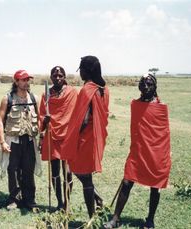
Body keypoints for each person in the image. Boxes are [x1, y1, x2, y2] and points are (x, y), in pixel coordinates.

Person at [104, 73, 171, 229]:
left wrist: (165, 155)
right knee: (127, 182)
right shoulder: (135, 104)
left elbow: (164, 134)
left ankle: (150, 220)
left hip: (157, 153)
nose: (146, 86)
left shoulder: (161, 107)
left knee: (155, 186)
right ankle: (115, 219)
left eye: (149, 83)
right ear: (139, 86)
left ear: (155, 87)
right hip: (138, 151)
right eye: (143, 83)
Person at [61, 56, 109, 218]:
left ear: (86, 71)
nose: (79, 72)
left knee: (84, 177)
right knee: (80, 172)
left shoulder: (88, 89)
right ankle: (98, 201)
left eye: (80, 69)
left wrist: (74, 135)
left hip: (84, 139)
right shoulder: (103, 89)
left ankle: (92, 218)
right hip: (94, 137)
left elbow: (85, 118)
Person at [0, 70, 40, 211]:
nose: (27, 82)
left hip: (29, 141)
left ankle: (30, 200)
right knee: (13, 170)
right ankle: (14, 199)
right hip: (13, 141)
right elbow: (0, 120)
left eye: (28, 79)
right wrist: (2, 142)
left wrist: (42, 131)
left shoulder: (34, 98)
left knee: (28, 170)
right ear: (16, 82)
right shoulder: (7, 99)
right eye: (23, 80)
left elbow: (39, 120)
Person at [39, 66, 78, 210]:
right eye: (55, 76)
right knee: (55, 172)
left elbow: (78, 112)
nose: (58, 78)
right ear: (51, 78)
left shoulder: (72, 92)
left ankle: (67, 203)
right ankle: (60, 203)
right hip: (51, 135)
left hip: (68, 136)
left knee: (67, 172)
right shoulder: (46, 94)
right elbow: (42, 115)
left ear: (64, 76)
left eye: (60, 75)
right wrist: (45, 121)